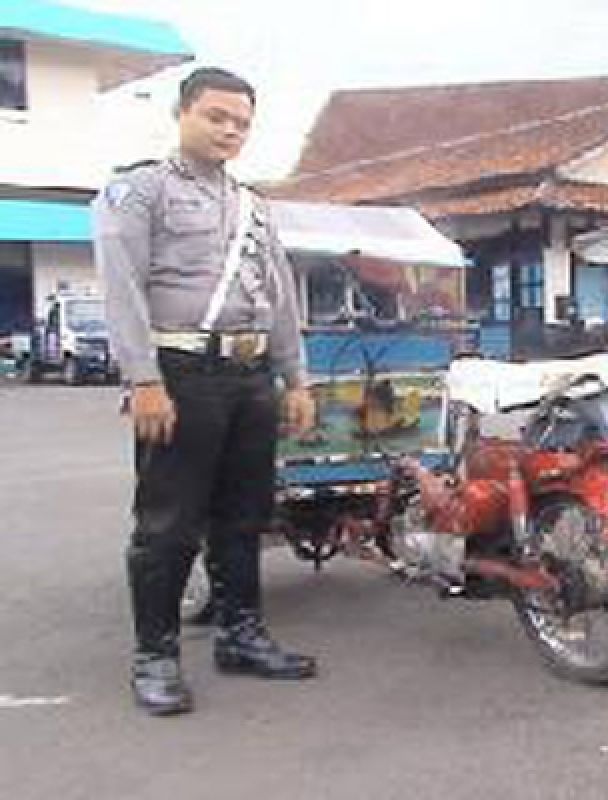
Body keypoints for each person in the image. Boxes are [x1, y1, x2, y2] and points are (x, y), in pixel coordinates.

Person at [93, 67, 318, 716]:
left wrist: (294, 378)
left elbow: (277, 297)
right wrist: (144, 380)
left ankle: (241, 635)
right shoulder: (139, 191)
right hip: (179, 374)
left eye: (242, 122)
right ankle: (155, 655)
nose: (229, 130)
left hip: (249, 378)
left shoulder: (254, 205)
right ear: (183, 113)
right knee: (168, 523)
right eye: (217, 116)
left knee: (244, 516)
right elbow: (122, 290)